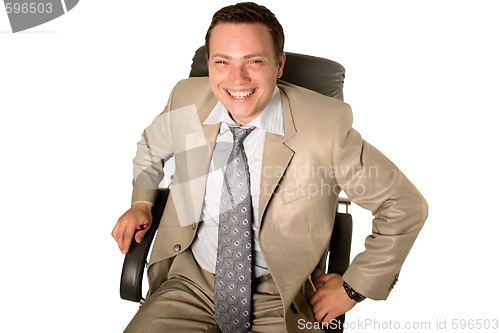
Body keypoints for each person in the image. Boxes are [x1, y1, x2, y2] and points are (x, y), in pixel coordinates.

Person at [112, 2, 428, 332]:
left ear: (279, 64)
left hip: (280, 295)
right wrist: (142, 202)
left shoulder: (325, 127)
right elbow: (151, 146)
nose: (237, 79)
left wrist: (353, 288)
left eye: (254, 61)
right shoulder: (188, 98)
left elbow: (404, 205)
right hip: (190, 283)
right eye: (223, 61)